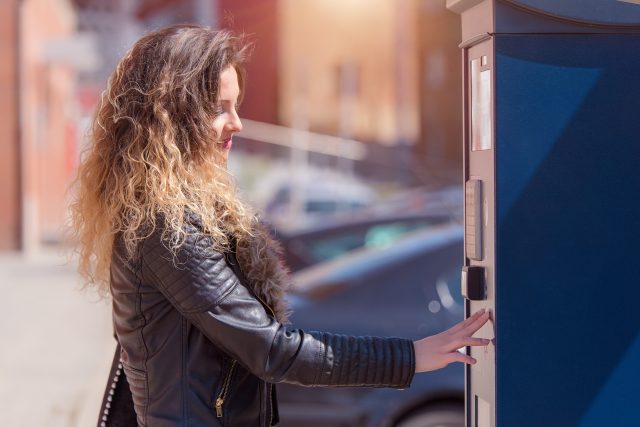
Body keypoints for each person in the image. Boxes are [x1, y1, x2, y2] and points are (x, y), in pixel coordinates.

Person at [70, 24, 490, 427]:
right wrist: (413, 356)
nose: (237, 123)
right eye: (220, 109)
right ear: (176, 117)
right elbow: (271, 350)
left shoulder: (166, 212)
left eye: (236, 106)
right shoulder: (167, 225)